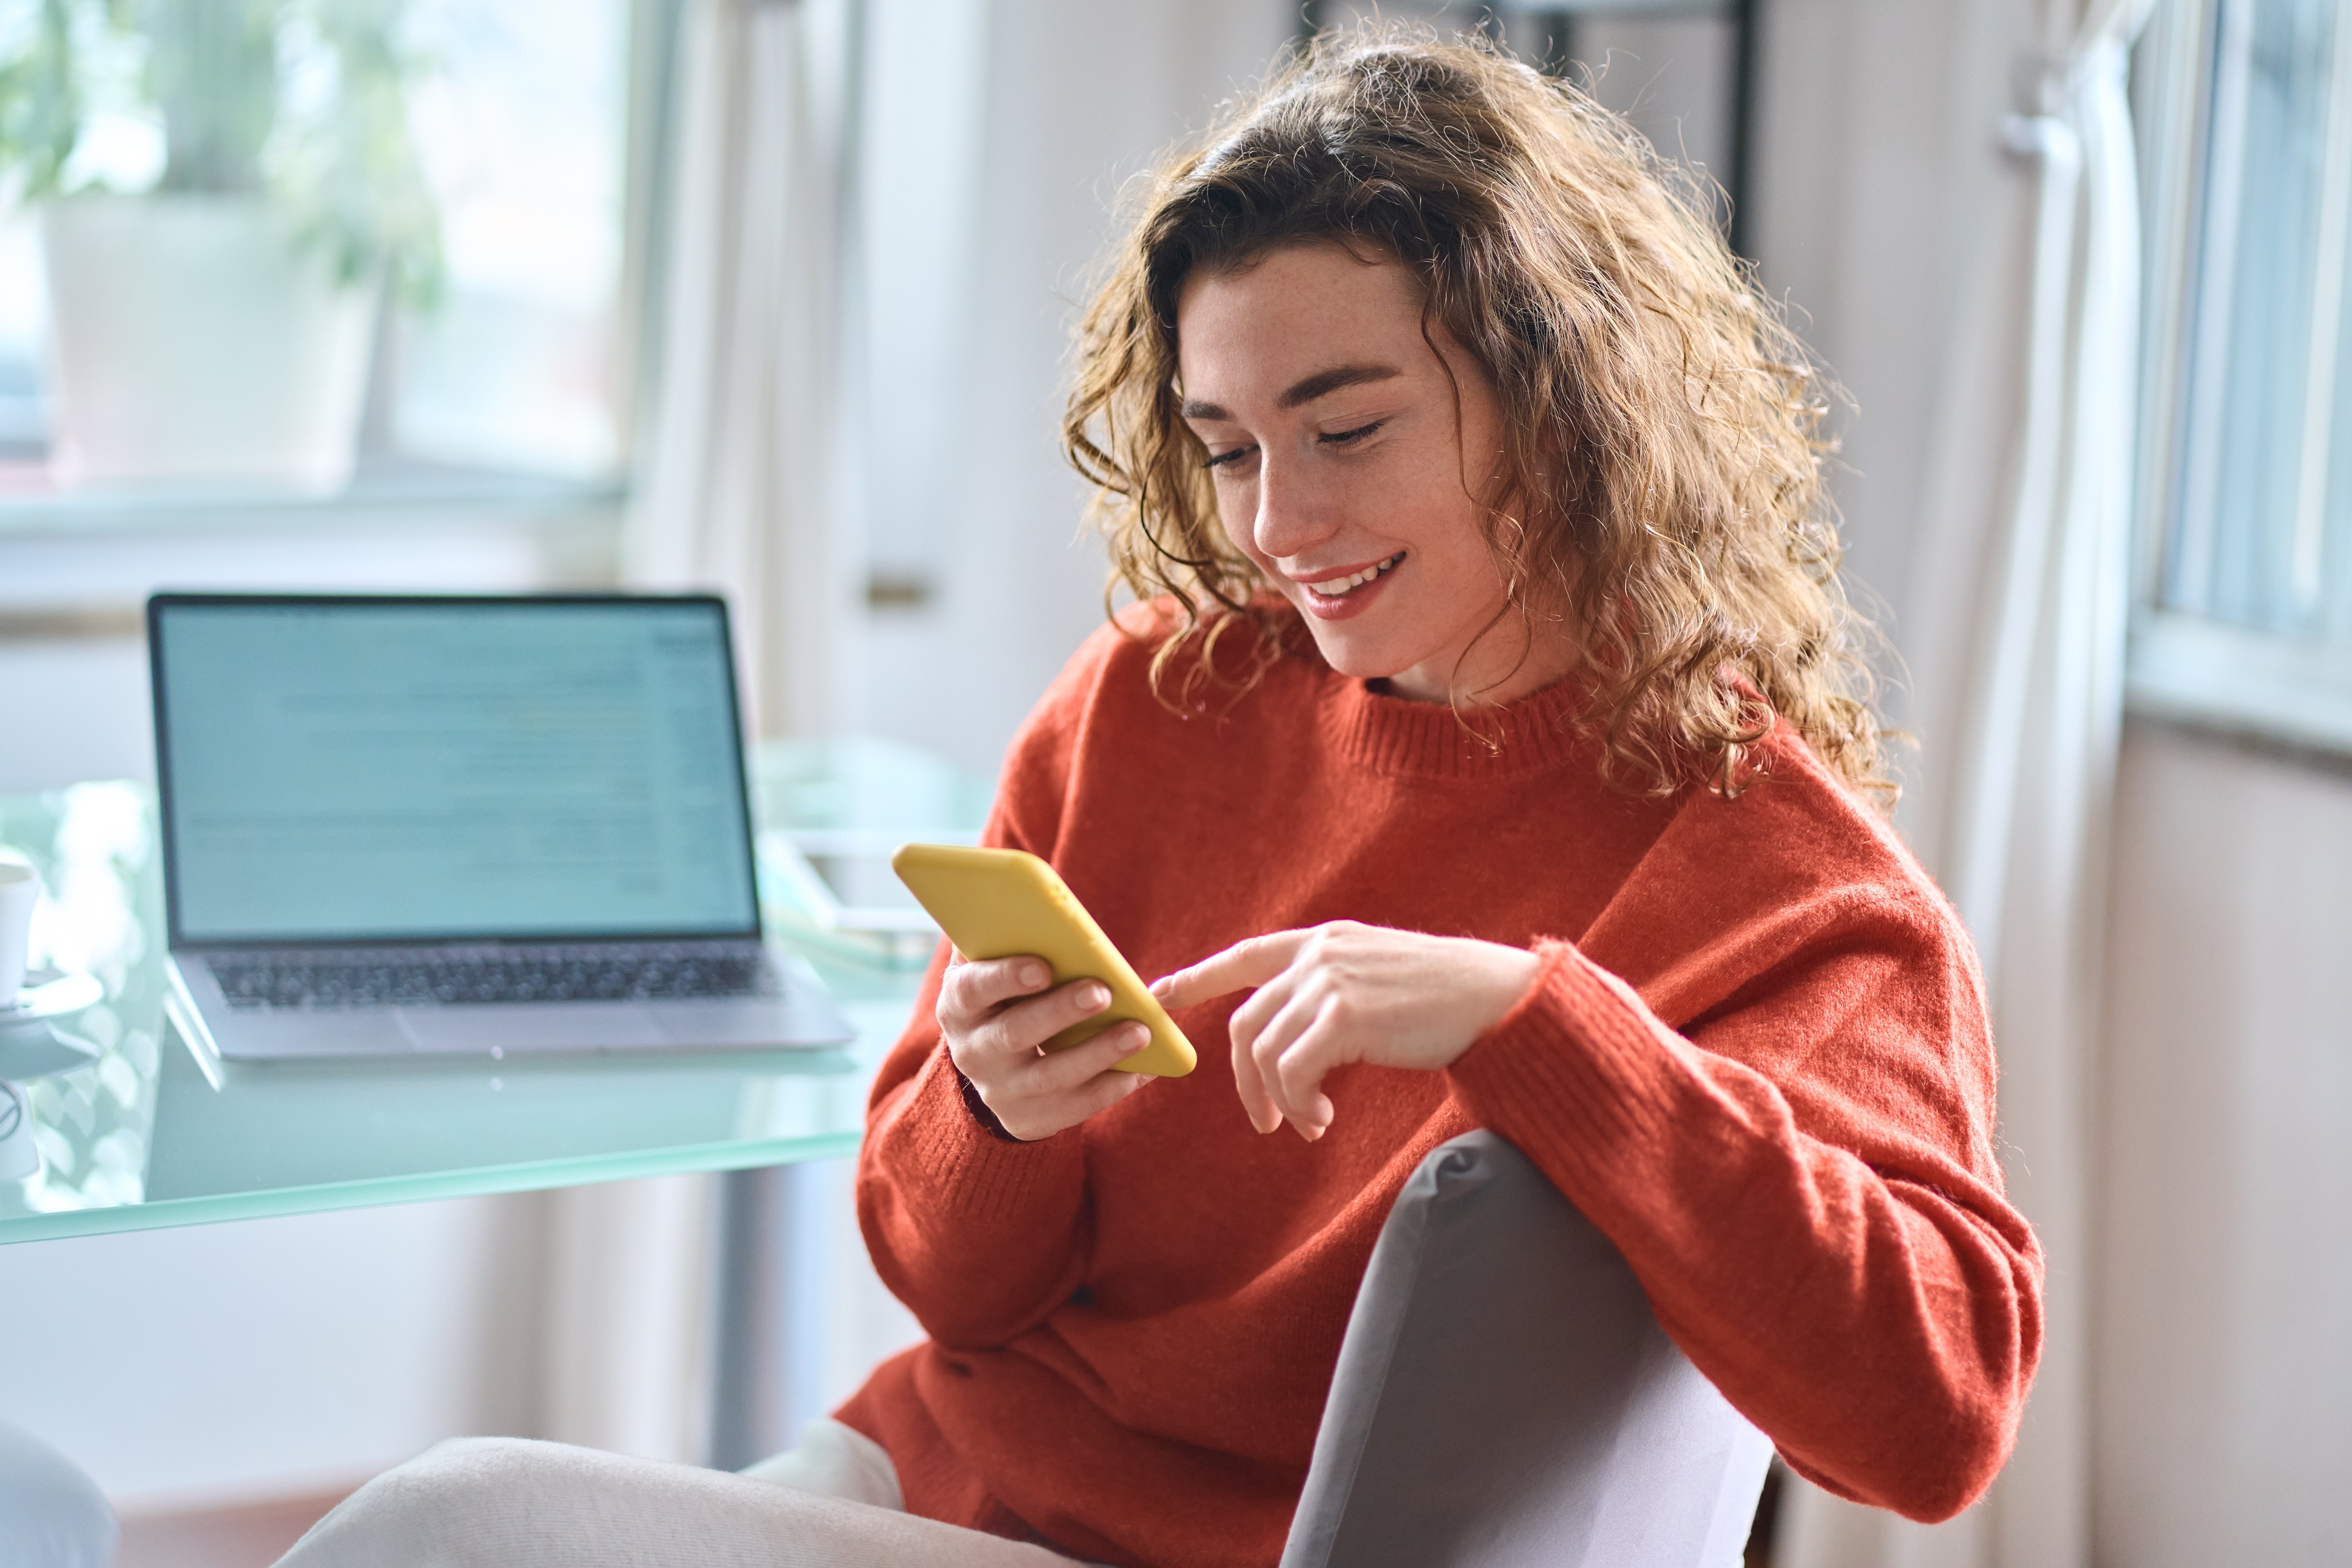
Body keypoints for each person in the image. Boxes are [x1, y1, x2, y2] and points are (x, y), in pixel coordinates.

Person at [275, 29, 2040, 1568]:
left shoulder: (1786, 886)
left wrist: (1531, 1017)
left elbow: (1936, 1419)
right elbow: (944, 1287)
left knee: (440, 1529)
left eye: (1348, 430)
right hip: (951, 1473)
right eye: (1228, 447)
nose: (1278, 529)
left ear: (1562, 402)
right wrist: (993, 1117)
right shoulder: (1155, 698)